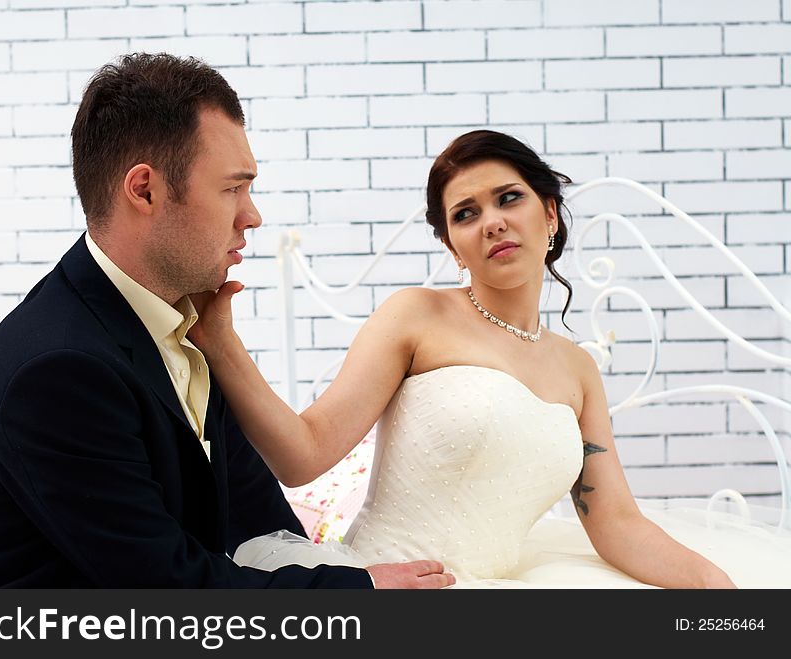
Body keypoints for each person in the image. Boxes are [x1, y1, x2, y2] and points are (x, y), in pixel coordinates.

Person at [0, 53, 454, 589]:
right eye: (232, 188)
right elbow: (169, 590)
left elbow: (257, 519)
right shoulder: (61, 367)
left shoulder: (182, 323)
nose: (253, 215)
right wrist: (363, 593)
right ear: (145, 190)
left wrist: (341, 574)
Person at [189, 129, 791, 588]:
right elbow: (303, 453)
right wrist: (221, 340)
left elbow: (615, 523)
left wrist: (718, 586)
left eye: (510, 199)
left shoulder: (577, 368)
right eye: (466, 213)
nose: (493, 223)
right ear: (452, 244)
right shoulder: (415, 316)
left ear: (549, 213)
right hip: (393, 586)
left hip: (501, 587)